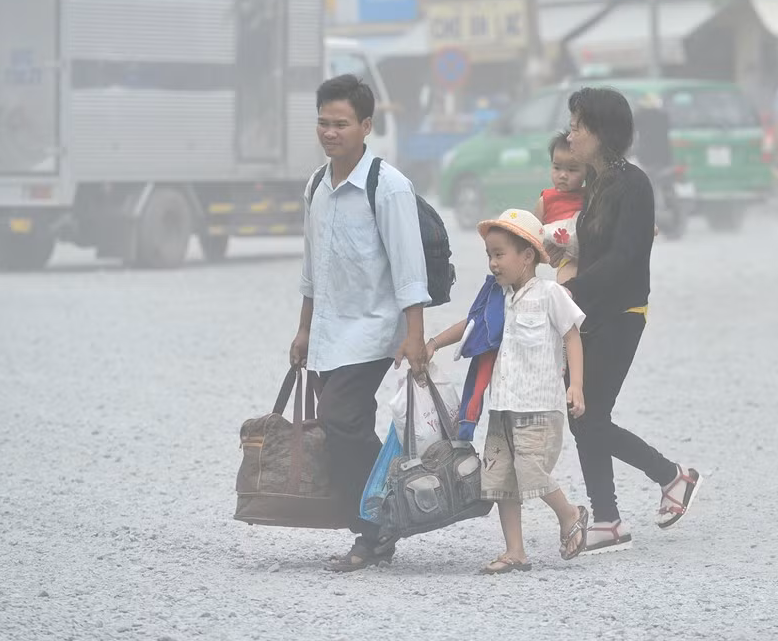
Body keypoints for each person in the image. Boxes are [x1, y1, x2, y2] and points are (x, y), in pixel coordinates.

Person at [289, 74, 431, 573]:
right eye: (323, 123)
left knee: (340, 419)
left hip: (373, 329)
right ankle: (376, 524)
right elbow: (312, 268)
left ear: (366, 125)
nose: (330, 132)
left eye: (341, 124)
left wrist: (415, 336)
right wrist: (304, 329)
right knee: (342, 426)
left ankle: (376, 521)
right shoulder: (316, 185)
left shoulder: (388, 187)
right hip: (329, 331)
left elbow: (410, 268)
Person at [563, 87, 702, 554]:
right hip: (588, 315)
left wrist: (565, 293)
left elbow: (625, 258)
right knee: (583, 414)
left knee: (589, 417)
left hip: (622, 313)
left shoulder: (634, 183)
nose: (571, 133)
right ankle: (608, 520)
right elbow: (595, 250)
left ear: (600, 132)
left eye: (578, 125)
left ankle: (670, 477)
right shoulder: (596, 183)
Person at [426, 209, 589, 573]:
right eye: (489, 255)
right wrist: (433, 343)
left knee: (532, 472)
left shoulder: (550, 294)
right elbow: (470, 325)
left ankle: (570, 514)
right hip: (503, 407)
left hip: (539, 406)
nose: (493, 263)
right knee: (500, 482)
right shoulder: (497, 298)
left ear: (527, 255)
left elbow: (572, 336)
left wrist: (575, 385)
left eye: (499, 254)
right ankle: (515, 552)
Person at [534, 130, 586, 284]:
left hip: (593, 255)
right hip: (568, 258)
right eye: (557, 168)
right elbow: (533, 235)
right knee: (566, 284)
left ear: (587, 171)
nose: (563, 175)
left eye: (572, 169)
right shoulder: (546, 200)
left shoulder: (590, 195)